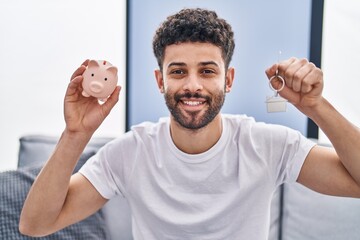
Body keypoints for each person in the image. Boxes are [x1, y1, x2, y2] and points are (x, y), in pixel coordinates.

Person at [20, 8, 360, 239]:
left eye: (207, 71)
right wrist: (76, 133)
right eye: (178, 71)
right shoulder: (128, 153)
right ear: (159, 80)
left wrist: (316, 107)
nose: (192, 85)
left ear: (228, 80)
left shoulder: (268, 145)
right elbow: (35, 224)